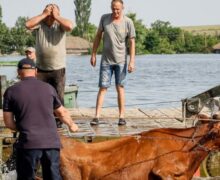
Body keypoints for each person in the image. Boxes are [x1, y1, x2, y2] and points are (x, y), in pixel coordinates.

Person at [3, 58, 78, 180]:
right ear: (36, 71)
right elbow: (62, 112)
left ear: (18, 72)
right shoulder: (48, 88)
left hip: (28, 143)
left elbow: (9, 122)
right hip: (51, 143)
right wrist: (72, 125)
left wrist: (23, 127)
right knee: (53, 177)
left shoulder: (11, 91)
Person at [25, 4, 73, 127]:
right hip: (41, 68)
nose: (51, 14)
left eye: (54, 11)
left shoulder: (60, 25)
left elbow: (70, 26)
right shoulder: (40, 25)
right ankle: (42, 119)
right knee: (40, 95)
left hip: (58, 68)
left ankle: (58, 122)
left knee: (58, 96)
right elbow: (27, 24)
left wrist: (56, 16)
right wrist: (44, 14)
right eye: (49, 11)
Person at [90, 0, 136, 126]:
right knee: (102, 88)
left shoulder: (128, 22)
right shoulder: (104, 19)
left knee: (120, 87)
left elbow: (132, 42)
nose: (115, 11)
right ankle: (97, 116)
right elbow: (98, 36)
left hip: (121, 61)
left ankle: (121, 117)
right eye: (113, 8)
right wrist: (93, 54)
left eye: (118, 9)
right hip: (106, 61)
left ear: (122, 8)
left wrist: (132, 61)